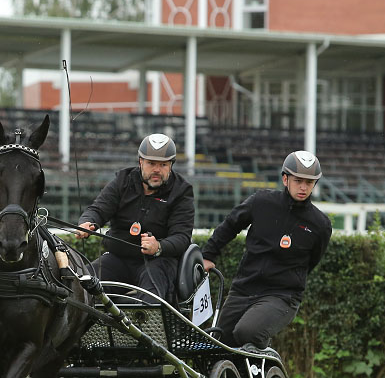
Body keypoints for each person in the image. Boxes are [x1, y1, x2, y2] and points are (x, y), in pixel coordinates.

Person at [201, 150, 332, 350]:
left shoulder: (320, 224)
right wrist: (208, 255)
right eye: (298, 180)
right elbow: (230, 225)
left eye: (309, 182)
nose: (303, 187)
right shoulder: (261, 202)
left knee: (246, 332)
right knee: (217, 345)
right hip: (244, 289)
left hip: (282, 296)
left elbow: (311, 261)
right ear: (285, 179)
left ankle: (264, 368)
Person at [75, 133, 195, 303]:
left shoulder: (182, 191)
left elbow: (182, 237)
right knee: (79, 288)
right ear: (140, 162)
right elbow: (98, 209)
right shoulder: (122, 180)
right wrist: (87, 222)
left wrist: (159, 246)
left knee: (149, 302)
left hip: (158, 262)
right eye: (151, 163)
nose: (156, 170)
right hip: (118, 258)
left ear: (171, 165)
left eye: (163, 165)